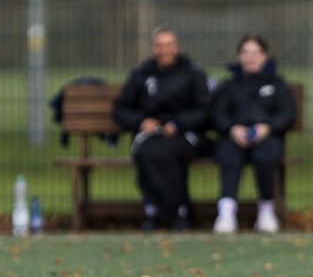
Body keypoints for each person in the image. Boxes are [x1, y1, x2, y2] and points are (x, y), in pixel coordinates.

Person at [113, 26, 212, 231]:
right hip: (149, 135)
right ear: (153, 49)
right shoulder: (141, 75)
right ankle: (158, 211)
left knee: (166, 153)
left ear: (176, 48)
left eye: (169, 45)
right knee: (148, 152)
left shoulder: (193, 74)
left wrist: (178, 124)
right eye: (160, 45)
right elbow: (121, 108)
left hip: (183, 134)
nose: (164, 50)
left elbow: (204, 110)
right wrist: (141, 122)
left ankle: (178, 213)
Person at [210, 34, 298, 234]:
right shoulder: (229, 86)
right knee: (229, 155)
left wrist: (267, 127)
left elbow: (287, 112)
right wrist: (232, 128)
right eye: (245, 53)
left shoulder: (277, 84)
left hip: (267, 137)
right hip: (234, 138)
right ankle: (226, 211)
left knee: (265, 156)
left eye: (255, 53)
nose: (250, 57)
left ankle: (266, 209)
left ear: (265, 56)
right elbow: (217, 113)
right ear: (239, 56)